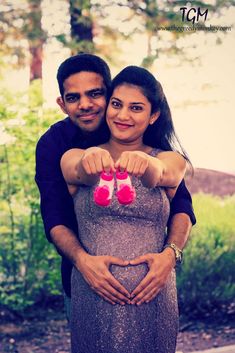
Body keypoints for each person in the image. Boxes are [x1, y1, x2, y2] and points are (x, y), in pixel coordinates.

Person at [35, 54, 196, 318]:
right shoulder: (55, 144)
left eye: (95, 93)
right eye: (74, 97)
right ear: (62, 104)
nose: (85, 104)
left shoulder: (143, 135)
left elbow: (181, 203)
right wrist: (83, 262)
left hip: (152, 286)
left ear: (108, 93)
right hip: (88, 281)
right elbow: (55, 216)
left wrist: (171, 254)